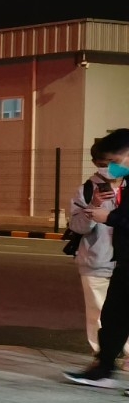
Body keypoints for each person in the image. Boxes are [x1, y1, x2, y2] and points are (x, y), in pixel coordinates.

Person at [67, 133, 129, 387]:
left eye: (113, 161)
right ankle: (103, 364)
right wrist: (92, 208)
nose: (109, 168)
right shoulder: (87, 189)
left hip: (122, 261)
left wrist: (110, 217)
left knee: (117, 314)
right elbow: (77, 227)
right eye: (104, 163)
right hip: (101, 261)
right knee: (106, 316)